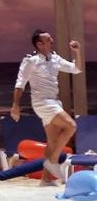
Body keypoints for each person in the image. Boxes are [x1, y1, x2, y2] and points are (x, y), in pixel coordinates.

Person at [12, 30, 82, 181]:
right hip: (42, 103)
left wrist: (77, 52)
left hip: (54, 102)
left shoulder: (55, 58)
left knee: (52, 142)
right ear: (39, 44)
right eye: (48, 39)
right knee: (71, 126)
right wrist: (15, 105)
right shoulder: (31, 61)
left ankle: (45, 179)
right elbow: (20, 84)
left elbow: (76, 69)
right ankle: (53, 161)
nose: (52, 40)